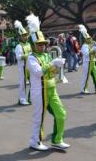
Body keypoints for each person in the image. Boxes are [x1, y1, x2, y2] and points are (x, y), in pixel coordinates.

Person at [26, 13, 69, 151]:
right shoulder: (31, 58)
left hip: (51, 88)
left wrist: (57, 67)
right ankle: (35, 141)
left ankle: (57, 139)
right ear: (33, 45)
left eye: (43, 44)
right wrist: (52, 64)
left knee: (61, 114)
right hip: (39, 90)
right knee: (39, 118)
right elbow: (38, 72)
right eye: (39, 44)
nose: (42, 46)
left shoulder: (45, 55)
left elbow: (51, 73)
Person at [79, 25, 96, 94]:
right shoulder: (84, 46)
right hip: (87, 62)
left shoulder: (91, 45)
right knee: (86, 76)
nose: (89, 39)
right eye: (88, 38)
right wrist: (93, 49)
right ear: (85, 39)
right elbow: (86, 54)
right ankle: (83, 89)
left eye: (89, 38)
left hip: (92, 62)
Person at [14, 20, 31, 105]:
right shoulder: (18, 46)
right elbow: (18, 57)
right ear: (20, 37)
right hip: (23, 67)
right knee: (22, 84)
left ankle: (30, 98)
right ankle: (22, 99)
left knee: (33, 83)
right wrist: (27, 56)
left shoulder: (29, 44)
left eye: (26, 35)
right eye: (23, 36)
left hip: (30, 67)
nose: (25, 37)